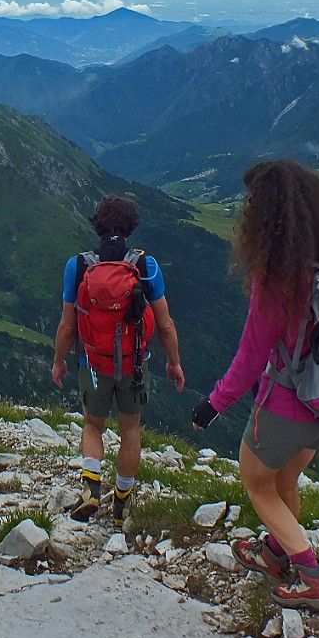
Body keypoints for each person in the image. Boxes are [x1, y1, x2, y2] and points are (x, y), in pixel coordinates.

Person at [191, 158, 319, 612]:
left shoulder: (279, 279)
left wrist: (213, 404)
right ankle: (273, 551)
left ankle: (312, 578)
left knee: (258, 484)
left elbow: (249, 360)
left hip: (287, 403)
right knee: (285, 480)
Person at [52, 194, 185, 527]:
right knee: (130, 430)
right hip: (135, 365)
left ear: (97, 225)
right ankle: (123, 501)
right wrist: (174, 362)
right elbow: (165, 323)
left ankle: (91, 486)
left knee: (92, 425)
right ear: (130, 227)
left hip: (93, 364)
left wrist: (59, 361)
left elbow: (68, 324)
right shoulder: (145, 266)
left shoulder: (78, 266)